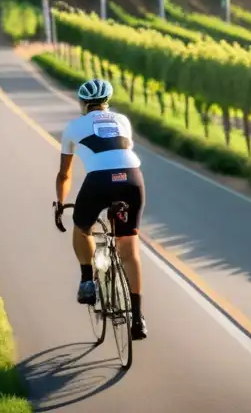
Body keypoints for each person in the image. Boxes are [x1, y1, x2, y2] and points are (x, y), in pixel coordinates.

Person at [52, 78, 147, 340]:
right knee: (129, 248)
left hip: (99, 182)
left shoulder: (73, 127)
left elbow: (64, 174)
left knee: (82, 228)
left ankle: (86, 281)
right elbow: (121, 152)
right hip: (132, 179)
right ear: (107, 102)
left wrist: (61, 205)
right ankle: (137, 319)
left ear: (83, 104)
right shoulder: (122, 121)